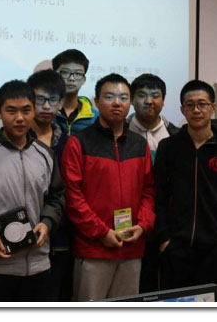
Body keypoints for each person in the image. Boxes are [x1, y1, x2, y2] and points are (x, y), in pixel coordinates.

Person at [0, 80, 65, 302]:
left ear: (33, 110)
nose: (20, 118)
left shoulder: (46, 154)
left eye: (26, 110)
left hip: (39, 265)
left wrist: (47, 222)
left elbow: (57, 197)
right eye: (11, 111)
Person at [61, 74, 155, 301]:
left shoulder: (139, 144)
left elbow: (149, 191)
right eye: (109, 97)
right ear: (96, 101)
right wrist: (101, 232)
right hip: (93, 249)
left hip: (131, 247)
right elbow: (72, 196)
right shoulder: (79, 142)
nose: (117, 103)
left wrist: (142, 226)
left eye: (123, 97)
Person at [153, 80, 217, 294]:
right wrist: (164, 239)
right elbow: (159, 196)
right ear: (182, 110)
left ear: (213, 107)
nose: (196, 110)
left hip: (216, 250)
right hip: (175, 248)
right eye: (190, 105)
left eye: (202, 104)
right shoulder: (169, 147)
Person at [127, 73, 181, 293]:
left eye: (155, 95)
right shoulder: (119, 131)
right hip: (128, 220)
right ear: (132, 100)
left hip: (166, 223)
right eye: (142, 95)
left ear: (163, 101)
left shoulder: (176, 135)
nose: (149, 101)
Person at [27, 69, 72, 301]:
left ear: (61, 103)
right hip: (23, 236)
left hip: (61, 237)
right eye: (40, 100)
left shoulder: (69, 143)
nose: (46, 106)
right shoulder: (18, 139)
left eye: (53, 100)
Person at [52, 49, 98, 135]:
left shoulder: (95, 118)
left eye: (78, 74)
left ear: (84, 80)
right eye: (65, 72)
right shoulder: (46, 113)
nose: (71, 78)